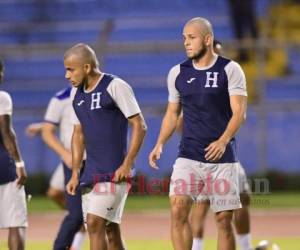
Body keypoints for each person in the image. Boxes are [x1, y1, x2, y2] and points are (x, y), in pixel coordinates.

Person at [149, 17, 247, 250]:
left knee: (223, 220)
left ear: (208, 39)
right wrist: (160, 143)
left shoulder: (230, 69)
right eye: (184, 38)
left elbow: (239, 112)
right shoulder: (177, 73)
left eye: (191, 38)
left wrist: (223, 141)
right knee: (178, 211)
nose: (186, 43)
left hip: (222, 157)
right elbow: (172, 113)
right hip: (189, 155)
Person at [65, 43, 147, 250]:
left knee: (94, 223)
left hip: (115, 173)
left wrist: (128, 163)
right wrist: (75, 172)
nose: (67, 75)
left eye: (70, 69)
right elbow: (78, 134)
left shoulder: (115, 86)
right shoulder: (76, 95)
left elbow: (140, 125)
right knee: (111, 229)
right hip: (90, 174)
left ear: (86, 67)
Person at [176, 40, 253, 250]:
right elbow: (178, 121)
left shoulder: (228, 75)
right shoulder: (193, 85)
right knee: (200, 207)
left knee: (241, 199)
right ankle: (198, 247)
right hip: (200, 156)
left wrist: (223, 139)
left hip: (227, 155)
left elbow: (239, 113)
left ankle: (246, 245)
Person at [0, 60, 28, 250]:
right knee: (15, 223)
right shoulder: (2, 97)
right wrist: (19, 164)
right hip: (4, 166)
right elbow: (6, 132)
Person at [25, 123, 66, 208]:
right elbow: (62, 120)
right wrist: (41, 127)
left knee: (98, 193)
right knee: (53, 192)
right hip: (69, 159)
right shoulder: (68, 110)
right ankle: (76, 215)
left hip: (93, 159)